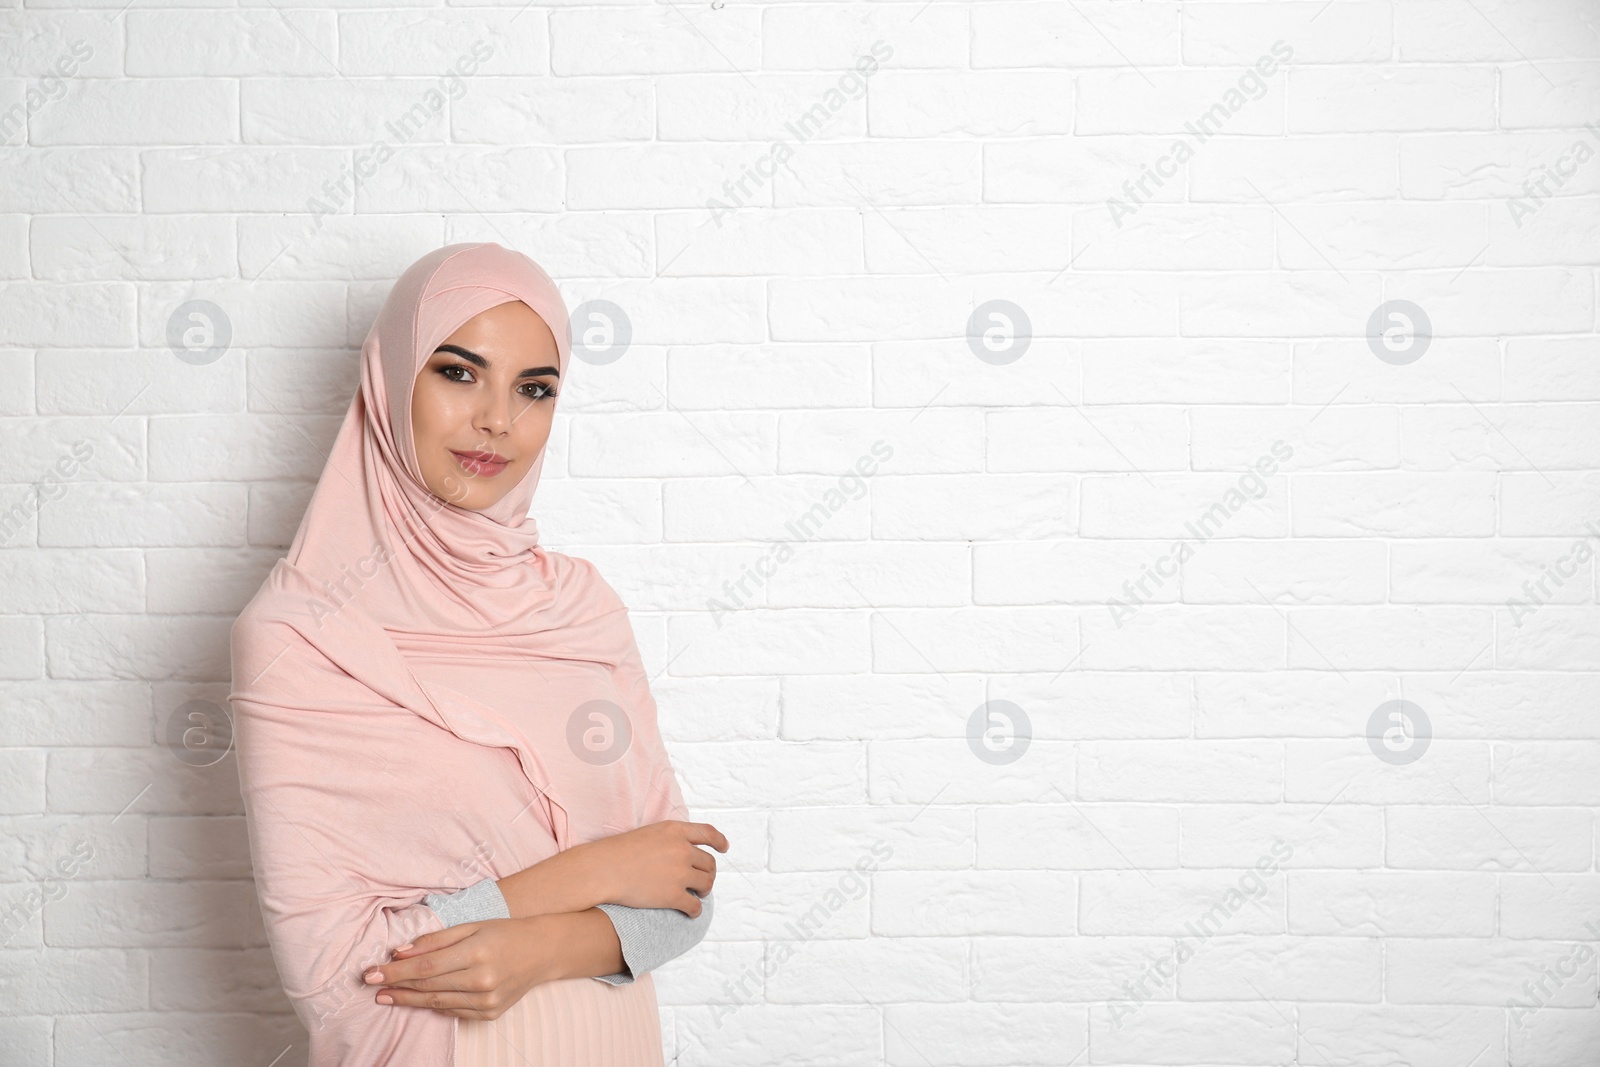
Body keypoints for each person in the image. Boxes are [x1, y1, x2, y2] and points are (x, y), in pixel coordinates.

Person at [228, 242, 729, 1066]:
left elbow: (680, 887)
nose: (499, 418)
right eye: (459, 372)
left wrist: (536, 946)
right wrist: (586, 882)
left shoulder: (579, 608)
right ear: (392, 379)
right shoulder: (297, 634)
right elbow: (335, 975)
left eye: (535, 389)